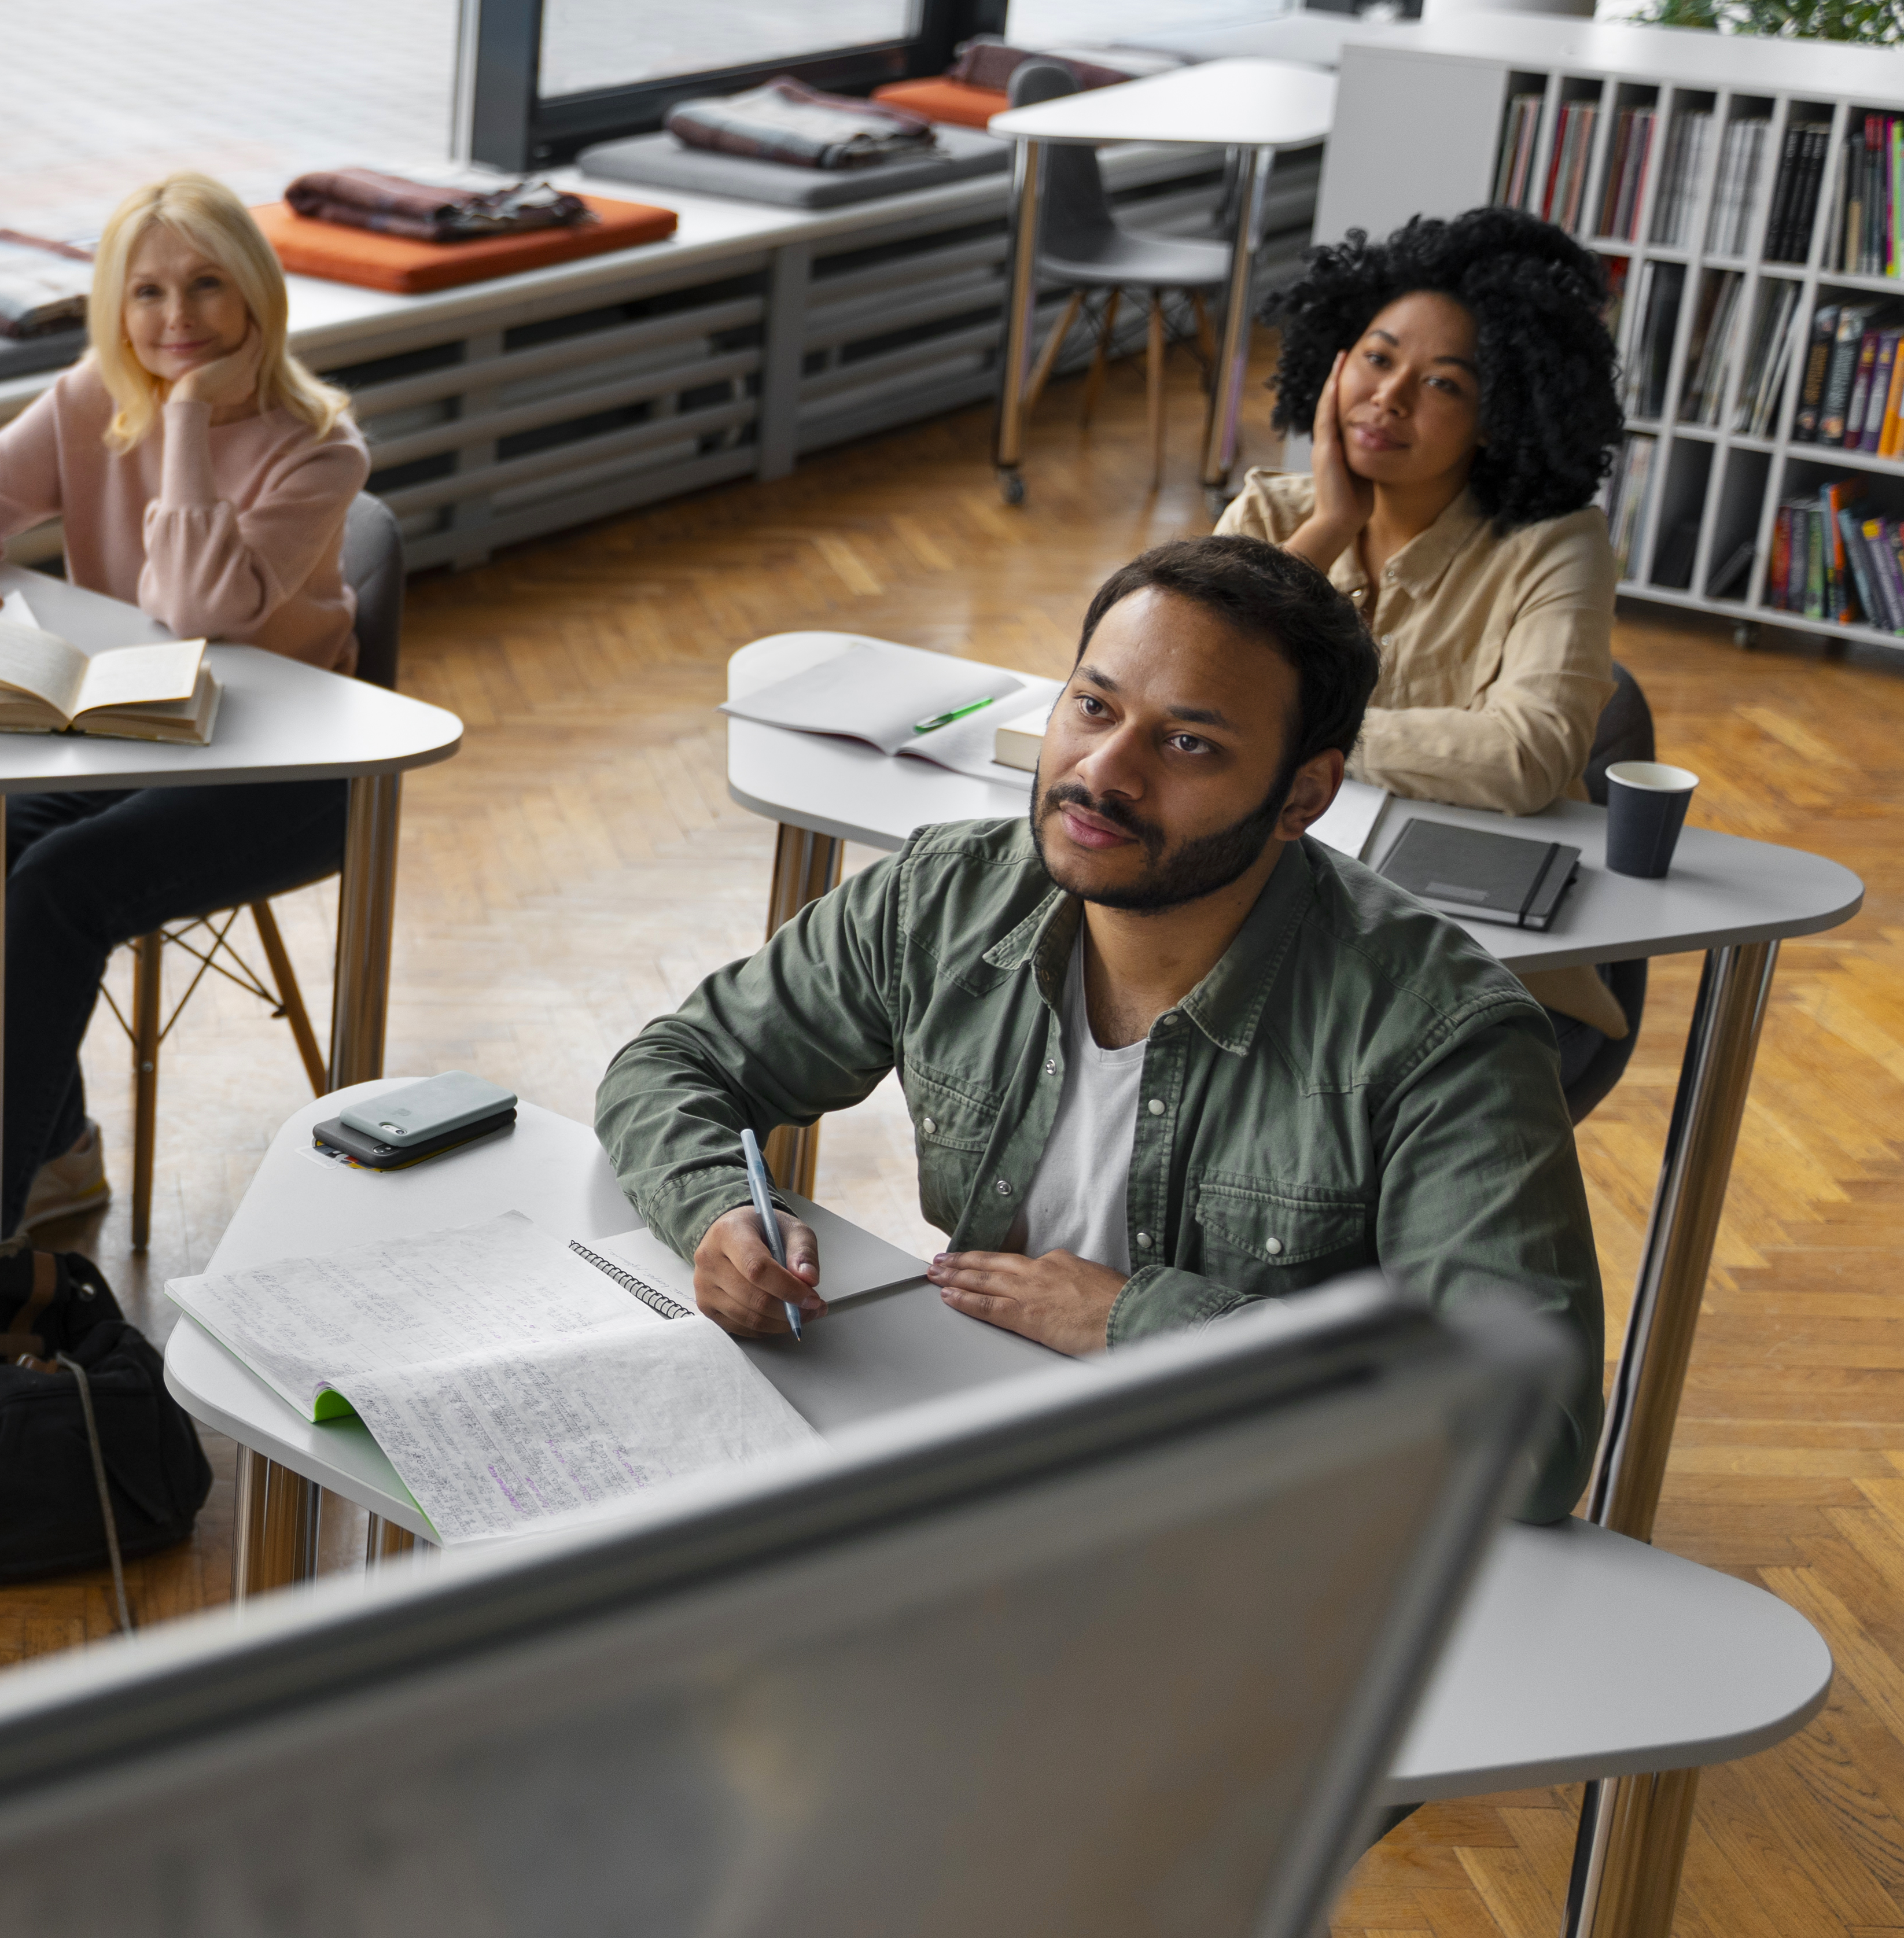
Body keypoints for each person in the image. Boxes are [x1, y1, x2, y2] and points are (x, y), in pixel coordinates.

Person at [592, 535, 1603, 1522]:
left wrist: (1137, 1322)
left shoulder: (1444, 1036)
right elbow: (672, 1064)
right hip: (984, 1468)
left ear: (1303, 795)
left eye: (1187, 742)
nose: (1103, 772)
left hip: (1264, 1524)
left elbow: (1525, 1435)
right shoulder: (944, 898)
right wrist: (719, 1213)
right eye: (1093, 706)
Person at [0, 172, 373, 1249]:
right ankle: (49, 1153)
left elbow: (199, 608)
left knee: (55, 886)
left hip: (290, 772)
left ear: (255, 299)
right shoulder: (93, 396)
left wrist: (186, 418)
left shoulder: (321, 448)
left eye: (206, 286)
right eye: (146, 294)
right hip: (138, 736)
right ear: (115, 306)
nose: (177, 319)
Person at [1217, 205, 1634, 1054]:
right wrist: (1329, 525)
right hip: (1273, 943)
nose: (1389, 397)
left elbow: (1530, 755)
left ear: (1500, 413)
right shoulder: (1273, 512)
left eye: (1444, 383)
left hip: (1480, 969)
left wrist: (1295, 740)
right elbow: (1182, 689)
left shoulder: (1558, 545)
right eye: (1376, 358)